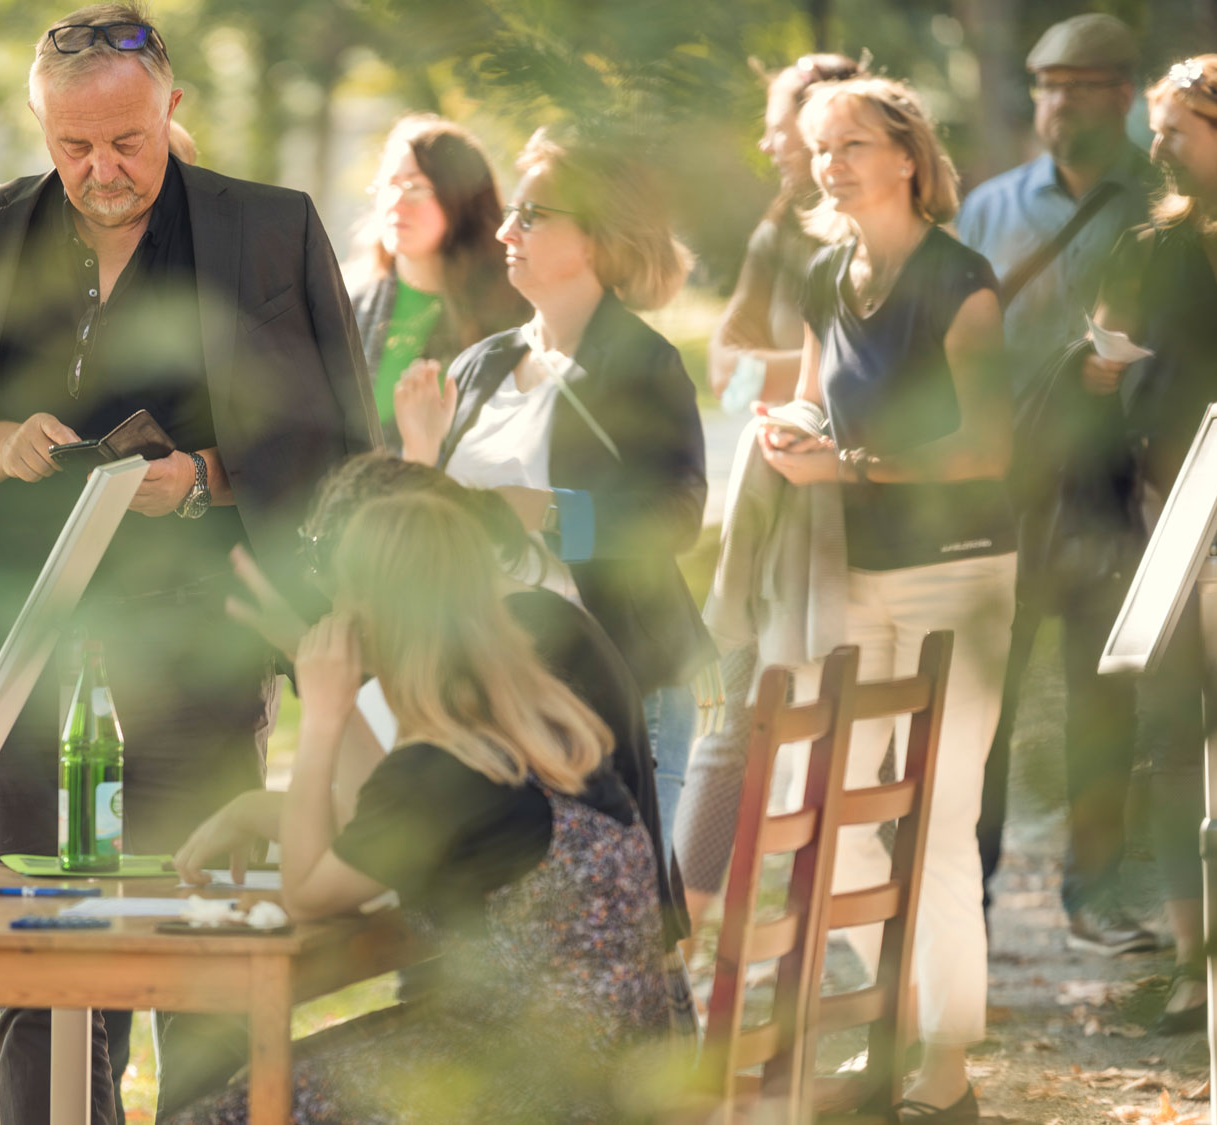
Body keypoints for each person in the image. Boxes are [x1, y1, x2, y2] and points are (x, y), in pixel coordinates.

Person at [0, 6, 377, 1121]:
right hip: (24, 655)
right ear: (38, 125)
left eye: (126, 143)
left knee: (203, 961)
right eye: (72, 146)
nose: (100, 170)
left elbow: (338, 436)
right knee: (43, 969)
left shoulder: (271, 233)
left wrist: (206, 475)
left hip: (203, 653)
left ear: (172, 110)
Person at [167, 493, 674, 1124]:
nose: (339, 614)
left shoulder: (447, 765)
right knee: (268, 1081)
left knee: (223, 1115)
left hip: (534, 1085)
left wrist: (322, 716)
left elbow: (307, 892)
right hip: (607, 1069)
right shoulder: (527, 728)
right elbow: (369, 833)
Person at [761, 76, 1014, 1120]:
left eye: (853, 143)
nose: (831, 164)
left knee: (940, 824)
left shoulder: (961, 278)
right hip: (848, 576)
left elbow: (985, 447)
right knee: (827, 811)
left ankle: (944, 1075)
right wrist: (787, 431)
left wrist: (849, 468)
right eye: (821, 147)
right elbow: (817, 399)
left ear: (906, 157)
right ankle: (878, 1030)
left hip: (958, 571)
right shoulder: (825, 272)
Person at [179, 453, 682, 941]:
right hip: (599, 998)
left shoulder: (533, 651)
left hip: (548, 1013)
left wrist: (323, 716)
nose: (335, 611)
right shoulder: (506, 645)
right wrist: (255, 804)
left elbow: (317, 889)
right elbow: (382, 827)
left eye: (344, 588)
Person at [395, 124, 712, 853]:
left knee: (619, 939)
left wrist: (539, 513)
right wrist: (417, 448)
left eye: (533, 216)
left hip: (620, 689)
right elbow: (426, 529)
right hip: (495, 690)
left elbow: (676, 518)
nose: (507, 229)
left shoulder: (641, 366)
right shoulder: (482, 363)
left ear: (598, 239)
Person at [956, 13, 1159, 955]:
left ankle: (1097, 895)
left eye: (1077, 86)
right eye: (1045, 87)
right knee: (985, 698)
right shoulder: (990, 209)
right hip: (1008, 487)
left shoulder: (1162, 199)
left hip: (1125, 485)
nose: (1056, 104)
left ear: (1124, 94)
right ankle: (972, 896)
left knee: (1102, 693)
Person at [1088, 53, 1217, 1033]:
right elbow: (1107, 362)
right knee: (1168, 746)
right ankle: (1198, 967)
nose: (1155, 148)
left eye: (1174, 130)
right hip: (1171, 522)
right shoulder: (1144, 246)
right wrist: (1097, 370)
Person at [349, 114, 526, 445]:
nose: (397, 202)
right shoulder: (345, 301)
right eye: (390, 183)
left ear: (461, 199)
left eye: (417, 188)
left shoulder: (512, 313)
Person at [710, 53, 863, 410]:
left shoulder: (886, 238)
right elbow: (722, 377)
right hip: (788, 447)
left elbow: (888, 376)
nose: (765, 145)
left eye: (778, 130)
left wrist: (763, 372)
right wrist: (828, 367)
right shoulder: (777, 232)